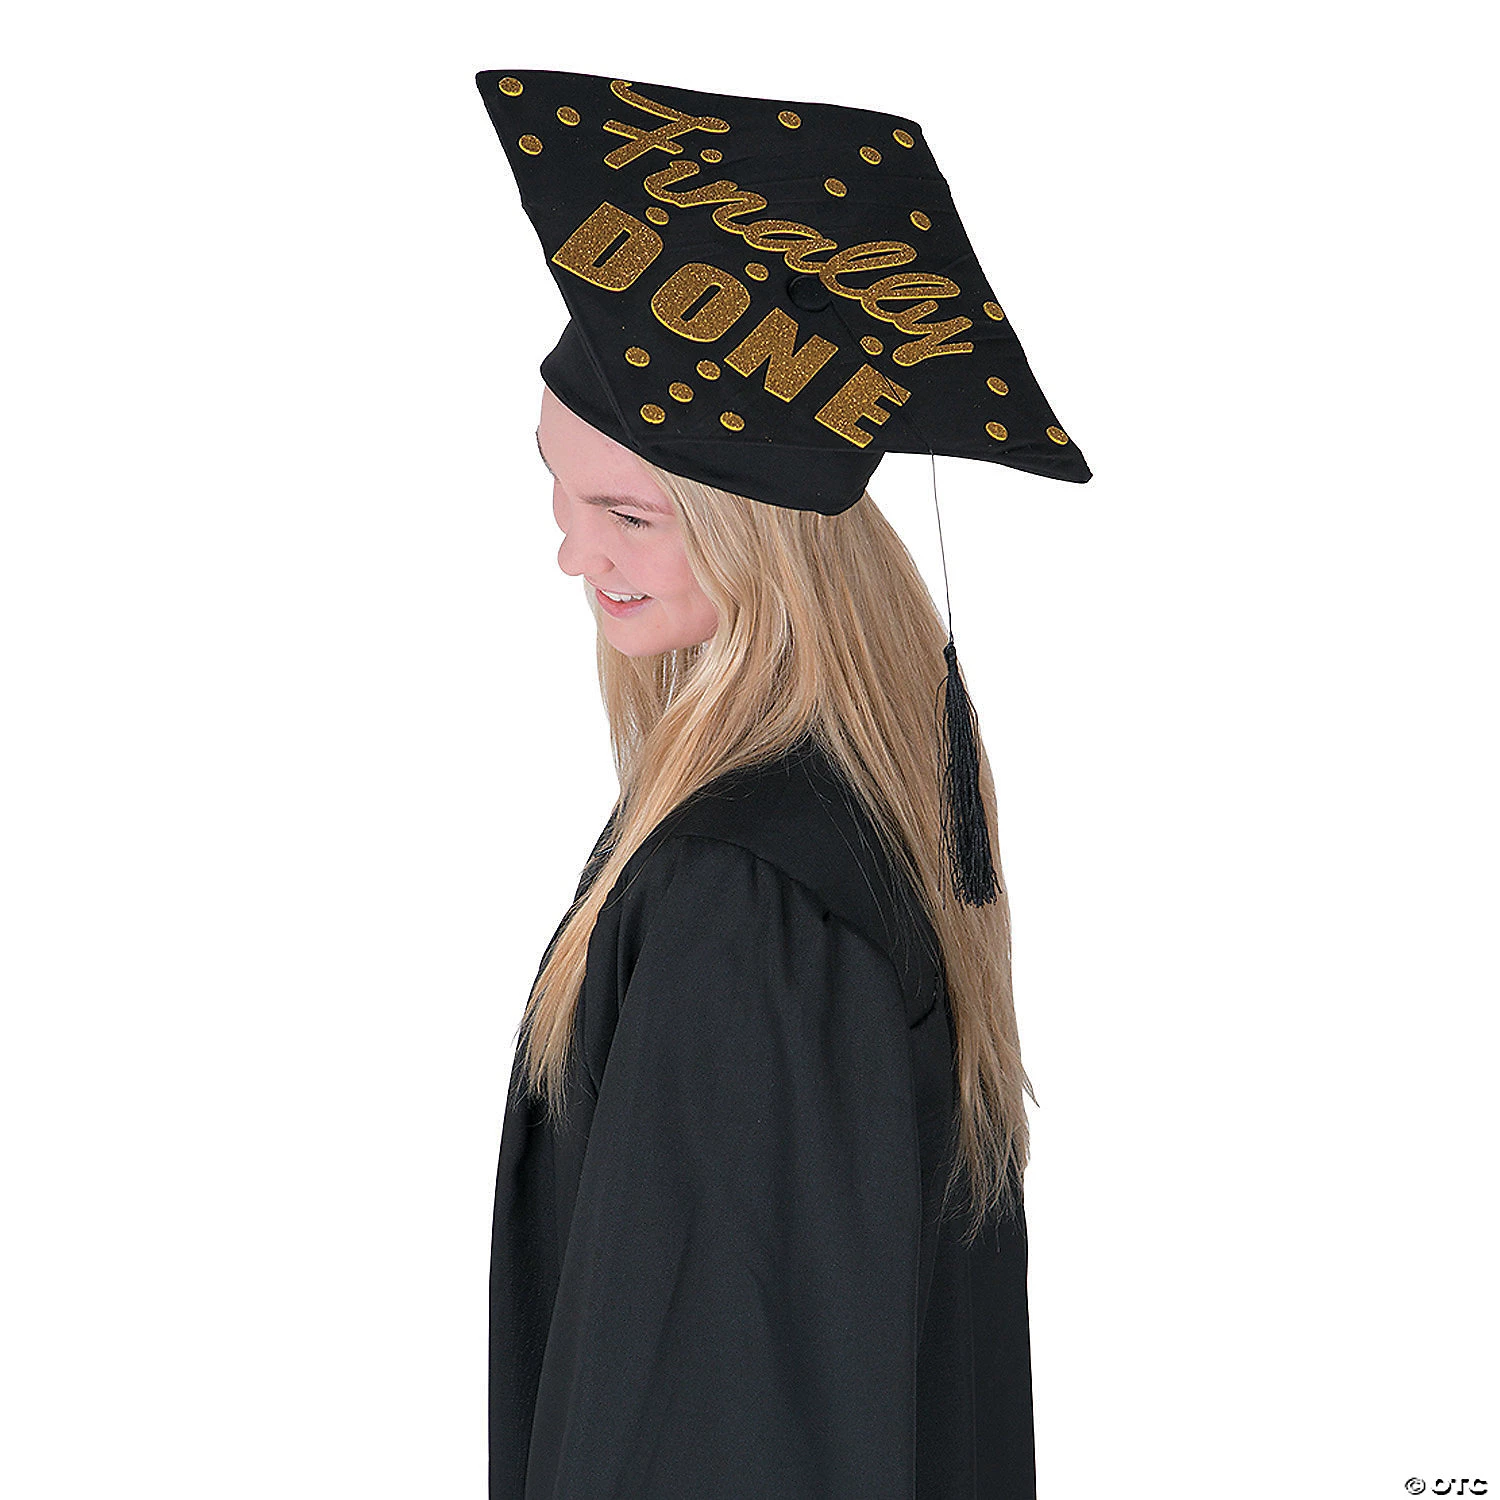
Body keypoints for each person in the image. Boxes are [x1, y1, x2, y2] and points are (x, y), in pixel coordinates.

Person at [476, 68, 1092, 1498]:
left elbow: (712, 1421)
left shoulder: (744, 901)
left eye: (628, 514)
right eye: (559, 492)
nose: (574, 554)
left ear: (762, 532)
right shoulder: (835, 822)